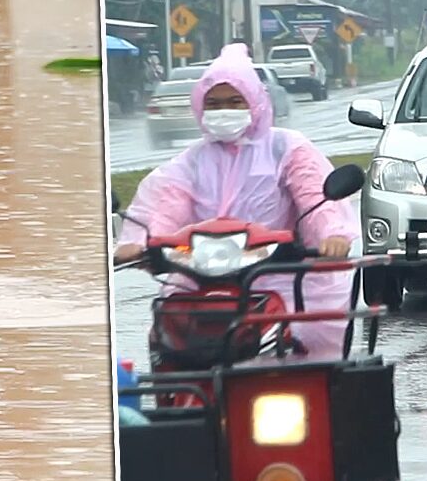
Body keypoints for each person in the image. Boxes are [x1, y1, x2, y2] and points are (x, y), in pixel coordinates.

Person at [112, 43, 361, 356]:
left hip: (276, 277)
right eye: (213, 104)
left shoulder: (286, 148)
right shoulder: (192, 161)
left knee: (308, 341)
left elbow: (314, 196)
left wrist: (331, 235)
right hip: (200, 280)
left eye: (234, 101)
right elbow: (164, 204)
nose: (223, 111)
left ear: (255, 102)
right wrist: (138, 242)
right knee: (168, 329)